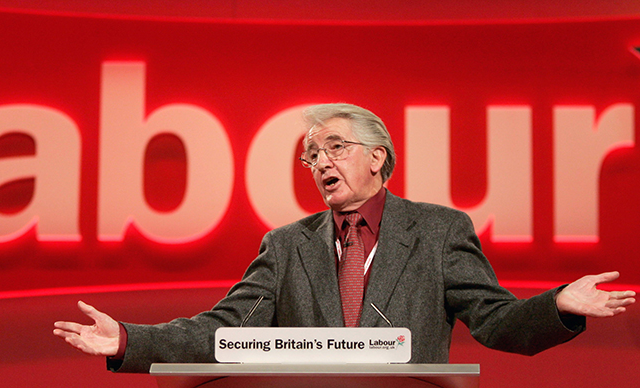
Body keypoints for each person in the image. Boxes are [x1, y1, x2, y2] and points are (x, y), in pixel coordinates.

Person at [54, 103, 635, 373]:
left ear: (377, 156)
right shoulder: (286, 245)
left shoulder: (438, 231)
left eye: (334, 146)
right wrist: (130, 339)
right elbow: (225, 331)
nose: (319, 161)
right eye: (311, 155)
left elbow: (495, 321)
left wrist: (557, 304)